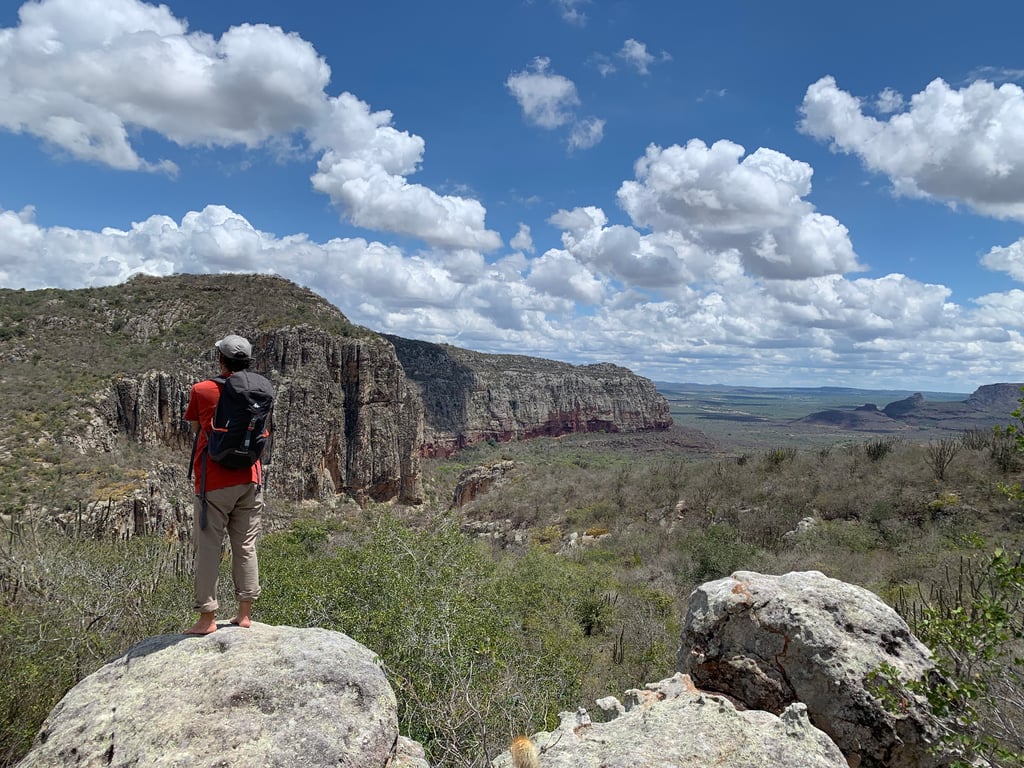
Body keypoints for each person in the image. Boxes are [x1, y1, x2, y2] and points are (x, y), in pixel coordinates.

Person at [183, 334, 264, 635]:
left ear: (220, 359)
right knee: (245, 545)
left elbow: (195, 427)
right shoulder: (260, 388)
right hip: (249, 477)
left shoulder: (202, 390)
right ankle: (244, 615)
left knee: (208, 547)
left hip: (214, 481)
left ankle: (207, 618)